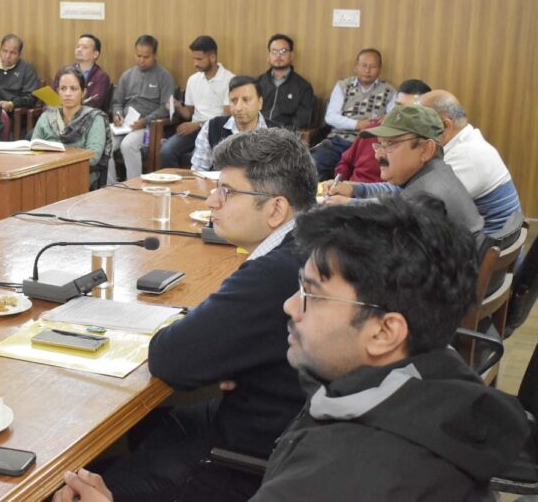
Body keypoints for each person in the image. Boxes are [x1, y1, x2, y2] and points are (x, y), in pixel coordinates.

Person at [53, 195, 530, 502]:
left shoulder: (339, 481)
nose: (288, 306)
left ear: (385, 332)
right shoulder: (432, 381)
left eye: (312, 294)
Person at [97, 127, 317, 502]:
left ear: (276, 209)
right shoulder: (310, 241)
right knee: (147, 425)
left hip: (250, 457)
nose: (212, 200)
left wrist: (209, 349)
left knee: (83, 481)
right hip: (282, 432)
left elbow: (171, 358)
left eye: (227, 192)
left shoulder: (276, 272)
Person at [324, 104, 484, 245]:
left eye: (391, 144)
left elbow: (392, 215)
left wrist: (347, 207)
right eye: (379, 144)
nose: (378, 155)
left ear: (426, 149)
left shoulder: (428, 195)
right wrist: (355, 190)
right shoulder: (433, 171)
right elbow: (396, 193)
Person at [419, 89, 522, 234]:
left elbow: (419, 209)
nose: (412, 133)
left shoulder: (468, 156)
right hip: (478, 245)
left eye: (416, 125)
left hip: (480, 252)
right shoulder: (466, 144)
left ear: (444, 127)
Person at [311, 48, 395, 181]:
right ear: (356, 66)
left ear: (380, 68)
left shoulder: (389, 90)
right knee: (315, 164)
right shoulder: (343, 85)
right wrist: (357, 124)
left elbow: (394, 119)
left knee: (364, 174)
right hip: (339, 140)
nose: (367, 70)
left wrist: (384, 119)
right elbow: (331, 117)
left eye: (373, 66)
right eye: (364, 65)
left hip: (368, 144)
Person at [333, 78, 431, 183]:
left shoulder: (421, 144)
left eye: (409, 109)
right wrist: (339, 183)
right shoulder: (370, 131)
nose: (400, 113)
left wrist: (354, 191)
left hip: (380, 197)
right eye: (398, 106)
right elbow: (345, 162)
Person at [158, 36, 234, 169]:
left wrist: (198, 125)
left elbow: (225, 118)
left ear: (212, 57)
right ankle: (177, 187)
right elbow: (188, 113)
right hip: (193, 129)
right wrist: (177, 106)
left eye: (199, 59)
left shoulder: (229, 80)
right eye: (194, 58)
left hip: (216, 131)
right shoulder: (193, 80)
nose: (195, 63)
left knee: (197, 158)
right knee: (166, 152)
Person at [108, 35, 175, 183]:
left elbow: (165, 109)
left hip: (148, 127)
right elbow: (117, 102)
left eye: (146, 56)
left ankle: (135, 186)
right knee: (105, 144)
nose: (141, 60)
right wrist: (117, 115)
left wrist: (144, 121)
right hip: (124, 124)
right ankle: (111, 186)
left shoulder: (164, 76)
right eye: (138, 56)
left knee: (128, 145)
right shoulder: (127, 75)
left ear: (154, 55)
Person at [33, 66, 112, 190]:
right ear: (58, 91)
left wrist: (58, 160)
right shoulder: (47, 116)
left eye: (73, 89)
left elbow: (93, 157)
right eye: (63, 89)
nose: (67, 94)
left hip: (80, 175)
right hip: (46, 172)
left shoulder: (94, 118)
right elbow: (34, 148)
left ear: (83, 92)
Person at [191, 76, 280, 171]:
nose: (238, 108)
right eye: (233, 100)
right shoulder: (211, 127)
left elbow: (280, 176)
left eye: (246, 100)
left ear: (260, 103)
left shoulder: (276, 133)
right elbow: (198, 170)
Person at [257, 33, 314, 129]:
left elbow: (301, 120)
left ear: (291, 55)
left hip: (282, 137)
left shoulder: (303, 87)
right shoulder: (257, 83)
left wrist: (280, 134)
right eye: (274, 51)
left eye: (283, 51)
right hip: (255, 133)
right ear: (268, 56)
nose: (278, 55)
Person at [0, 34, 40, 115]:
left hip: (13, 114)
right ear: (0, 50)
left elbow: (31, 98)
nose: (7, 56)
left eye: (12, 53)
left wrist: (12, 104)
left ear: (20, 55)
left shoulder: (27, 70)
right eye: (4, 51)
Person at [51, 34, 111, 110]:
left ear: (95, 54)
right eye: (77, 46)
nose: (79, 49)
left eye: (85, 47)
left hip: (87, 118)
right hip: (59, 114)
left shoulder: (101, 77)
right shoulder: (63, 72)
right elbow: (51, 97)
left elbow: (94, 104)